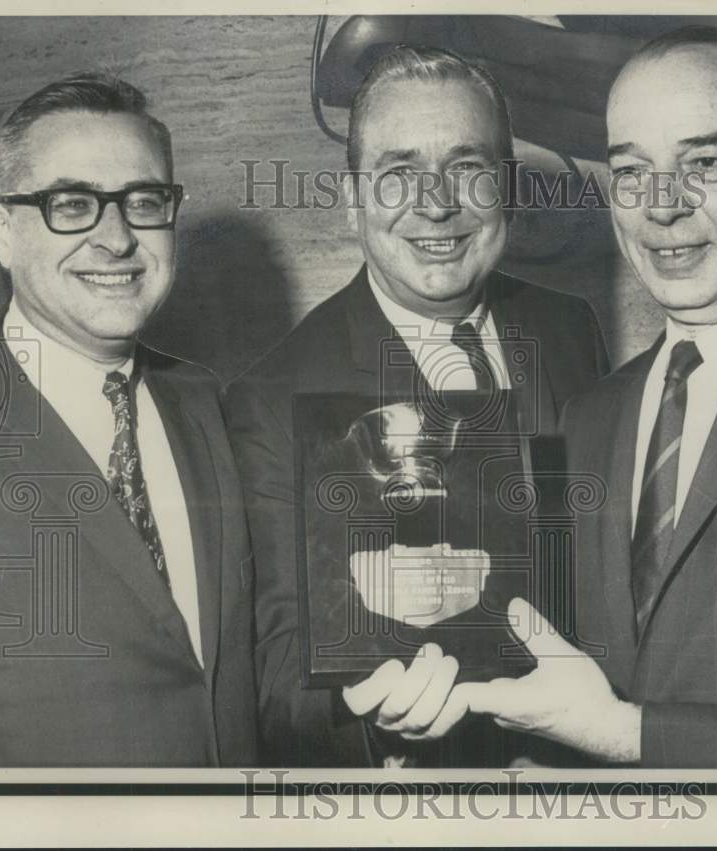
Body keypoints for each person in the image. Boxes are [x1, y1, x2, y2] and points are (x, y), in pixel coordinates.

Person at [458, 27, 717, 768]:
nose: (661, 206)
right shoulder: (590, 417)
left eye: (706, 163)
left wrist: (626, 735)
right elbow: (578, 683)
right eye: (631, 171)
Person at [225, 46, 609, 766]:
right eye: (399, 173)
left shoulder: (570, 328)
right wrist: (378, 718)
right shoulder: (272, 397)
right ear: (350, 202)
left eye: (467, 169)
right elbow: (278, 682)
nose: (437, 203)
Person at [0, 73, 258, 766]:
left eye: (145, 201)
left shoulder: (206, 402)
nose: (119, 238)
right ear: (2, 232)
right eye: (72, 204)